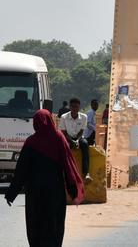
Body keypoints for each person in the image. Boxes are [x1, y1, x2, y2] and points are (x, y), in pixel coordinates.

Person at [4, 110, 85, 246]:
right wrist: (73, 190)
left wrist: (12, 193)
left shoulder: (31, 142)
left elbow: (21, 171)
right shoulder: (59, 138)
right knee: (54, 223)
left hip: (35, 193)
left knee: (36, 223)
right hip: (55, 191)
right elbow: (68, 165)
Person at [59, 98, 92, 181]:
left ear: (79, 107)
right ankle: (65, 172)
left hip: (78, 137)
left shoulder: (84, 117)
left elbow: (81, 131)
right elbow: (64, 132)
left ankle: (86, 173)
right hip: (68, 137)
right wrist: (71, 141)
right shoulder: (64, 117)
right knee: (65, 147)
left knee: (85, 144)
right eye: (73, 107)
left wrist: (77, 140)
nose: (74, 109)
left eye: (76, 107)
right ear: (70, 107)